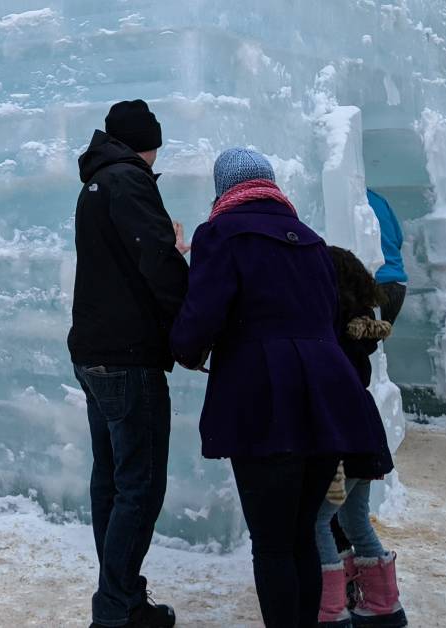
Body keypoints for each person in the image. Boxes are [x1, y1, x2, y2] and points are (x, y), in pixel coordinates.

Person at [169, 148, 387, 627]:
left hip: (264, 400)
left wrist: (184, 347)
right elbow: (329, 319)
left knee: (271, 545)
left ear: (224, 187)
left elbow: (202, 315)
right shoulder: (310, 241)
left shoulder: (221, 234)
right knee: (301, 538)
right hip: (330, 398)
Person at [68, 99, 188, 628]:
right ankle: (115, 611)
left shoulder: (94, 184)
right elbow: (156, 263)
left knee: (113, 483)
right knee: (140, 487)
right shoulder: (129, 180)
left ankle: (126, 600)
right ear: (149, 140)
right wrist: (192, 327)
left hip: (93, 354)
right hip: (128, 356)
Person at [315, 246, 407, 628]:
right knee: (356, 522)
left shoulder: (330, 331)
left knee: (318, 521)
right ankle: (384, 606)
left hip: (344, 437)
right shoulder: (361, 330)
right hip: (367, 437)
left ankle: (328, 611)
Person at [366, 190, 407, 324]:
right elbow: (398, 239)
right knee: (374, 342)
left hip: (370, 286)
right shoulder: (379, 200)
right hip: (396, 285)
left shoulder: (340, 199)